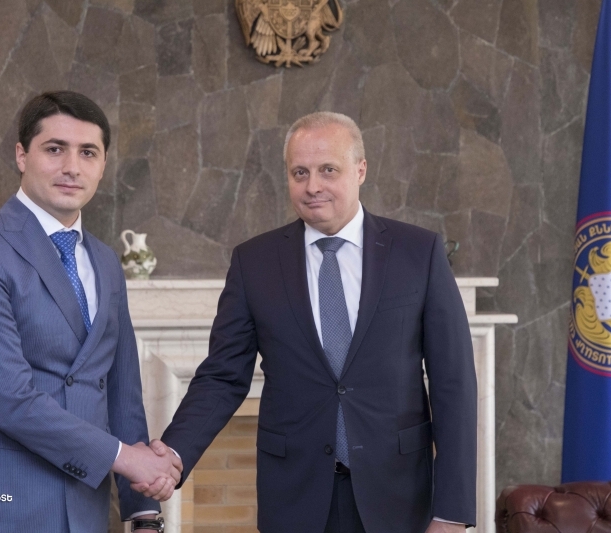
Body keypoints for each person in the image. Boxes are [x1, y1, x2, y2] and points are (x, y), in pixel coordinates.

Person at [154, 112, 477, 532]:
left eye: (328, 170)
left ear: (360, 170)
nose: (312, 186)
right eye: (299, 173)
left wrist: (451, 513)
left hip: (398, 496)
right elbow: (222, 376)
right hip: (294, 499)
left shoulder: (419, 252)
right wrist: (173, 454)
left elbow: (454, 383)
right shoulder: (254, 262)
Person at [0, 91, 179, 533]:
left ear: (103, 164)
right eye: (55, 149)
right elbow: (10, 400)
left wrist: (143, 513)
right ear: (22, 155)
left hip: (83, 511)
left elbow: (122, 393)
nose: (72, 167)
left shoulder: (106, 263)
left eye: (88, 152)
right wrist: (126, 458)